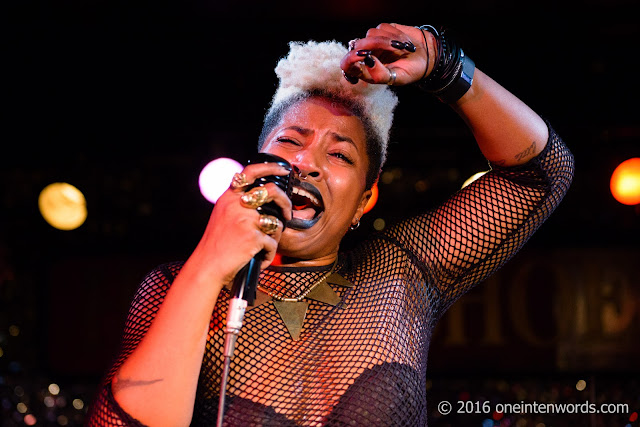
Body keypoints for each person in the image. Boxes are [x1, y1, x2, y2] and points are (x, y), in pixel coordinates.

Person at [86, 23, 574, 426]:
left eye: (339, 153)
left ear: (364, 199)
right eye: (290, 141)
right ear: (251, 164)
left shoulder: (401, 270)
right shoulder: (176, 285)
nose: (307, 162)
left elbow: (541, 173)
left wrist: (448, 66)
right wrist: (209, 266)